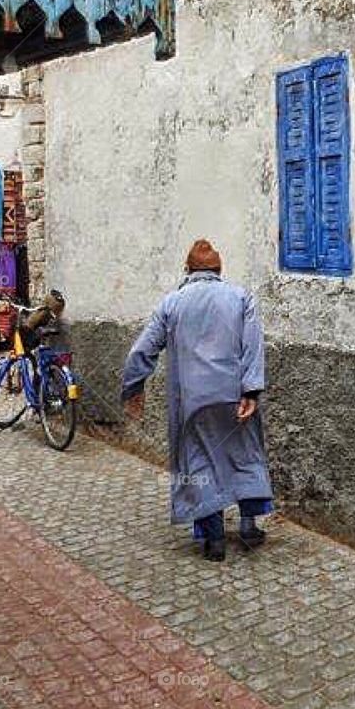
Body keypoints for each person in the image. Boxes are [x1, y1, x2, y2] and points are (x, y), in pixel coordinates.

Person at [121, 239, 271, 562]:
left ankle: (214, 539)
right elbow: (253, 346)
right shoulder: (241, 297)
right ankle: (248, 526)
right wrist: (251, 391)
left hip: (193, 402)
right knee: (244, 455)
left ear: (188, 271)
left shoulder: (172, 303)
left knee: (200, 463)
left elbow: (141, 350)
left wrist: (133, 387)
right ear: (219, 271)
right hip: (234, 396)